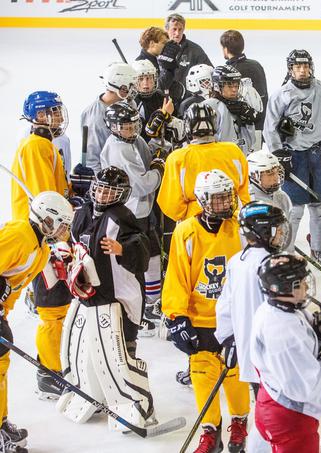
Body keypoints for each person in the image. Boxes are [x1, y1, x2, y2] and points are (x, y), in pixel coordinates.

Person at [58, 167, 156, 432]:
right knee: (83, 350)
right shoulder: (82, 214)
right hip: (88, 297)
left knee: (120, 353)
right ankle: (90, 394)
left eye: (109, 191)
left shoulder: (122, 216)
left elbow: (143, 250)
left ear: (120, 195)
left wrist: (123, 248)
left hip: (118, 299)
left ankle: (136, 404)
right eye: (100, 189)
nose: (102, 195)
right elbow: (75, 244)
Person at [161, 170, 250, 453]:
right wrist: (176, 316)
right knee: (201, 374)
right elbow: (176, 275)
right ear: (202, 200)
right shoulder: (186, 230)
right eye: (219, 199)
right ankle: (210, 429)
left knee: (235, 372)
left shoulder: (239, 229)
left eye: (228, 197)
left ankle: (239, 421)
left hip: (232, 317)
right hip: (199, 317)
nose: (226, 203)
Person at [215, 201, 291, 453]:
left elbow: (224, 305)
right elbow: (288, 311)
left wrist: (229, 339)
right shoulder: (274, 265)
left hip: (251, 354)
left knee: (263, 403)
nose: (280, 233)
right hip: (273, 356)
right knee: (277, 412)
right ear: (262, 231)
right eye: (276, 229)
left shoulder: (238, 260)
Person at [11, 91, 73, 400]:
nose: (57, 117)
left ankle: (54, 367)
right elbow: (43, 198)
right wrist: (56, 234)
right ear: (36, 116)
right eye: (50, 112)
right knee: (53, 310)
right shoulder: (36, 146)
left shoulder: (43, 144)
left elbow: (56, 190)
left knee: (59, 307)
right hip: (44, 238)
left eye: (57, 111)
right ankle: (49, 374)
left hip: (48, 235)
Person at [0, 191, 73, 453]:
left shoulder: (40, 249)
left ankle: (1, 422)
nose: (65, 230)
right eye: (62, 223)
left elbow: (12, 288)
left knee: (1, 365)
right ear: (48, 219)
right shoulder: (19, 234)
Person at [251, 252, 321, 453]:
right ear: (287, 288)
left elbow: (303, 333)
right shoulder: (282, 333)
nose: (306, 286)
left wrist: (320, 329)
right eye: (301, 282)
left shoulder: (277, 309)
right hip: (289, 419)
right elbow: (303, 387)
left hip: (274, 405)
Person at [263, 49, 321, 267]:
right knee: (294, 209)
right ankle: (287, 251)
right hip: (292, 156)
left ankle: (318, 250)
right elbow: (270, 127)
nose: (303, 70)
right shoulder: (282, 94)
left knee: (320, 206)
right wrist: (279, 153)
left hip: (314, 155)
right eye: (298, 67)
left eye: (306, 66)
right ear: (290, 69)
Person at [99, 101, 165, 334]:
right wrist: (159, 168)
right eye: (125, 126)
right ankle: (138, 310)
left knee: (153, 254)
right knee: (135, 262)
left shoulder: (133, 141)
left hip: (142, 212)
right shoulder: (118, 148)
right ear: (113, 127)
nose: (131, 130)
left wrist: (157, 147)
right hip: (130, 214)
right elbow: (142, 184)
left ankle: (152, 302)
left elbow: (149, 157)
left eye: (133, 125)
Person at [157, 102, 250, 224]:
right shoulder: (233, 150)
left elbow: (171, 205)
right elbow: (245, 192)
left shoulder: (177, 158)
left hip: (194, 223)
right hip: (233, 219)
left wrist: (192, 212)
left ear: (187, 126)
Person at [81, 62, 138, 172]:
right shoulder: (94, 118)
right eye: (131, 85)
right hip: (112, 179)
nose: (134, 89)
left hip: (129, 168)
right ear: (121, 86)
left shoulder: (129, 104)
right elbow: (91, 160)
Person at [220, 30, 268, 150]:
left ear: (225, 49)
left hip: (242, 130)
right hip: (259, 124)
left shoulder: (229, 71)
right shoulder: (256, 65)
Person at [204, 65, 261, 154]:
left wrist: (249, 119)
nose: (234, 89)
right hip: (221, 159)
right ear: (217, 86)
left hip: (242, 158)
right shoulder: (209, 106)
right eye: (229, 86)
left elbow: (251, 141)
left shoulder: (243, 104)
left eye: (236, 85)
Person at [163, 13, 212, 101]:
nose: (177, 33)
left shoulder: (195, 50)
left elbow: (209, 71)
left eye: (180, 29)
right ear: (166, 29)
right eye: (174, 29)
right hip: (163, 99)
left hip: (187, 101)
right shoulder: (159, 48)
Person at [246, 150, 292, 218]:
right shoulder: (247, 200)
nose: (276, 178)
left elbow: (287, 227)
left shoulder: (282, 197)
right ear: (254, 176)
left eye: (277, 172)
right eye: (270, 174)